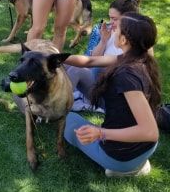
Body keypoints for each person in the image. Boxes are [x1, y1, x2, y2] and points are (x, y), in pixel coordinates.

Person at [64, 12, 161, 177]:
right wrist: (57, 57)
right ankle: (134, 164)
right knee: (82, 75)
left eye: (116, 30)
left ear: (123, 40)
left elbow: (150, 132)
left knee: (68, 121)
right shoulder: (138, 56)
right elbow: (91, 61)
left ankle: (128, 169)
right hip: (145, 147)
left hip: (123, 156)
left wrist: (100, 132)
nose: (112, 31)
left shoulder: (127, 76)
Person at [67, 0, 141, 104]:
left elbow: (92, 62)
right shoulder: (112, 32)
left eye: (115, 19)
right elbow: (92, 59)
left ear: (127, 19)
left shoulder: (134, 43)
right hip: (97, 81)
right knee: (63, 66)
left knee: (76, 69)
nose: (110, 22)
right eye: (110, 18)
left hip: (109, 93)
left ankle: (61, 104)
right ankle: (53, 99)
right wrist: (103, 40)